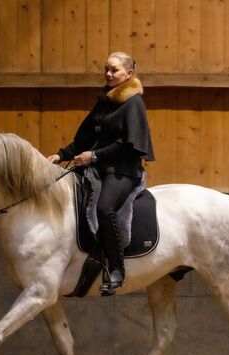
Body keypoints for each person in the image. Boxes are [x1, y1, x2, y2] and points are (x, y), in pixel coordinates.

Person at [47, 52, 155, 296]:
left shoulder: (133, 103)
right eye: (106, 69)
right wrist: (60, 154)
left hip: (124, 170)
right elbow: (85, 136)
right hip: (98, 168)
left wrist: (93, 157)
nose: (108, 74)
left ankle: (117, 268)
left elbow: (130, 144)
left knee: (104, 207)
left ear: (129, 74)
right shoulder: (105, 100)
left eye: (114, 70)